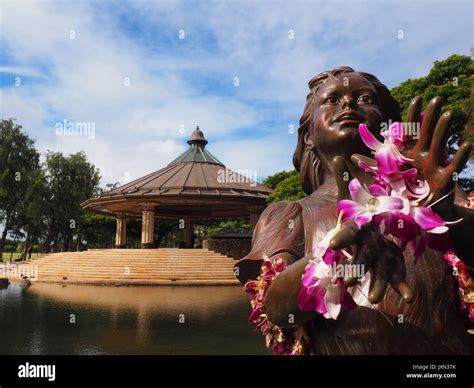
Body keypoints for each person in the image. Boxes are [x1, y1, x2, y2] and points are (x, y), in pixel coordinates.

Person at [235, 67, 474, 354]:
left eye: (363, 98)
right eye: (331, 100)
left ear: (385, 124)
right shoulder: (290, 214)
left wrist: (448, 214)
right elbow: (275, 308)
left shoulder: (432, 192)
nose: (348, 104)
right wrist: (334, 252)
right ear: (309, 136)